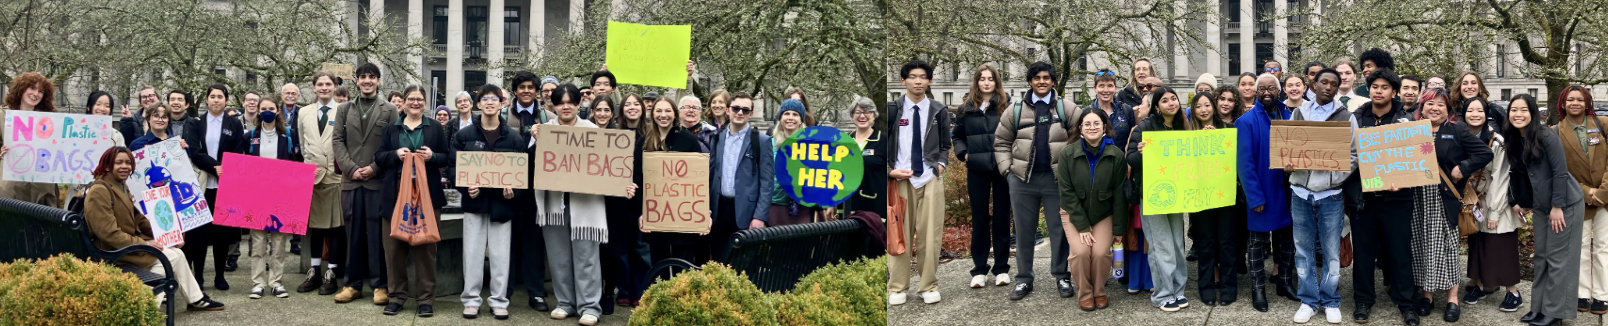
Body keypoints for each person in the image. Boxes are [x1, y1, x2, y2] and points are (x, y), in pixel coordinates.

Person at [532, 84, 631, 326]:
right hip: (554, 204)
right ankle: (565, 303)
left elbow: (609, 167)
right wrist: (536, 140)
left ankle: (590, 307)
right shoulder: (545, 131)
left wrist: (623, 185)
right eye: (561, 102)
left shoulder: (592, 130)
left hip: (586, 205)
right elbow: (533, 166)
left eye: (571, 102)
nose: (566, 106)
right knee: (558, 257)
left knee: (587, 257)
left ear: (579, 104)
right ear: (554, 105)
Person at [83, 147, 227, 311]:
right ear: (107, 165)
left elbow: (139, 219)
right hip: (113, 252)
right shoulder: (100, 190)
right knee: (168, 258)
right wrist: (145, 244)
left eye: (128, 162)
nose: (125, 166)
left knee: (177, 253)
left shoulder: (120, 185)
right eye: (119, 162)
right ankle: (147, 310)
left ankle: (195, 299)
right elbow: (109, 234)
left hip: (127, 246)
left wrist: (169, 236)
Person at [1409, 88, 1493, 322]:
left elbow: (1485, 153)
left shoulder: (1457, 129)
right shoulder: (1410, 131)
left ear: (1448, 110)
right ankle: (1427, 295)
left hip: (1442, 197)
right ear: (1421, 107)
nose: (1435, 108)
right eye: (1429, 104)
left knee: (1447, 248)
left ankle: (1452, 298)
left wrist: (1463, 167)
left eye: (1441, 105)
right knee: (1421, 246)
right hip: (1417, 199)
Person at [994, 61, 1072, 302]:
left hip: (1055, 181)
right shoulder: (1015, 109)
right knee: (1024, 231)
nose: (1041, 81)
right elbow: (1001, 142)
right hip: (1022, 181)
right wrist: (1008, 171)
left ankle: (1061, 275)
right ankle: (1024, 279)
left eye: (1046, 77)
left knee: (1059, 231)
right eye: (1037, 77)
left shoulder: (1065, 107)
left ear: (1053, 81)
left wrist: (1069, 170)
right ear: (1029, 81)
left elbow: (1082, 134)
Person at [1506, 93, 1586, 326]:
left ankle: (1556, 311)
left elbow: (1560, 173)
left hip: (1564, 204)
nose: (1518, 114)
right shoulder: (1514, 138)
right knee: (1541, 257)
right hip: (1541, 206)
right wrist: (1515, 200)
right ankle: (1538, 308)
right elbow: (1517, 174)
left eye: (1523, 110)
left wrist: (1557, 206)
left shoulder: (1546, 136)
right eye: (1513, 109)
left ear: (1533, 114)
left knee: (1559, 258)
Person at [1348, 69, 1421, 325]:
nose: (1378, 91)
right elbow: (1349, 158)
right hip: (1364, 201)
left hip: (1397, 200)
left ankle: (1406, 303)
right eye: (1374, 86)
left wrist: (1402, 179)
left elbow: (1416, 159)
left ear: (1394, 91)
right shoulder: (1356, 118)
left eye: (1384, 87)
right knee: (1364, 255)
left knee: (1399, 254)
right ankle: (1363, 301)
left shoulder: (1407, 121)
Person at [374, 85, 449, 317]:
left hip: (427, 193)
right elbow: (378, 157)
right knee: (394, 248)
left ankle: (425, 299)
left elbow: (447, 156)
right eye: (411, 99)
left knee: (426, 248)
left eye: (419, 99)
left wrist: (432, 157)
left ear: (425, 103)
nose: (415, 103)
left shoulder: (435, 127)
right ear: (403, 102)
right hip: (396, 193)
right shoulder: (391, 129)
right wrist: (395, 155)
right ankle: (396, 296)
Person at [1285, 68, 1352, 323]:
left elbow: (1354, 153)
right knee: (1302, 250)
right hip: (1300, 192)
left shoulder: (1346, 116)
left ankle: (1331, 299)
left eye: (1334, 84)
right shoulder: (1299, 113)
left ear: (1337, 88)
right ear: (1313, 84)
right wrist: (1287, 163)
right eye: (1324, 81)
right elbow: (1287, 147)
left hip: (1331, 195)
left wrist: (1337, 177)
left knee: (1331, 250)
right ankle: (1308, 300)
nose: (1328, 86)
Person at [453, 84, 524, 320]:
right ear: (478, 104)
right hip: (475, 204)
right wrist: (465, 188)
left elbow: (523, 174)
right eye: (486, 99)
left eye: (496, 98)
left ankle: (499, 300)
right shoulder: (464, 136)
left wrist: (514, 191)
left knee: (501, 256)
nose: (491, 102)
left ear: (503, 104)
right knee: (471, 254)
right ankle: (471, 300)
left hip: (502, 206)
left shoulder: (514, 138)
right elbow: (454, 169)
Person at [332, 63, 400, 305]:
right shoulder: (343, 108)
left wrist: (373, 168)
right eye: (363, 77)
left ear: (378, 80)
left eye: (372, 77)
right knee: (352, 235)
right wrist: (351, 169)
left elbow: (393, 144)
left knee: (377, 236)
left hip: (377, 182)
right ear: (357, 81)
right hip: (350, 182)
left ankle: (380, 285)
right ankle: (352, 284)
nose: (367, 81)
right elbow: (338, 141)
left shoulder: (390, 109)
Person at [1054, 107, 1128, 311]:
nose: (1092, 127)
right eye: (1087, 124)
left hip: (1103, 213)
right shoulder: (1068, 154)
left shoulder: (1116, 155)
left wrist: (1119, 231)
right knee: (1080, 252)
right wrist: (1083, 227)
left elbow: (1120, 196)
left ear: (1104, 127)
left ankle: (1099, 291)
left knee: (1101, 253)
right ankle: (1085, 293)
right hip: (1074, 212)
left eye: (1097, 123)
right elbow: (1066, 193)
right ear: (1080, 128)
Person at [890, 59, 950, 305]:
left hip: (929, 178)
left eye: (922, 77)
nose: (918, 81)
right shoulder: (893, 110)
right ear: (903, 80)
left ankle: (928, 285)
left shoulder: (938, 110)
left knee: (930, 235)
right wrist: (889, 171)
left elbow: (946, 144)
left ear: (929, 81)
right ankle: (897, 287)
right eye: (912, 76)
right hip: (900, 180)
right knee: (899, 234)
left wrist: (941, 163)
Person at [1236, 73, 1297, 313]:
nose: (1267, 92)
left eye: (1271, 88)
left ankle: (1284, 281)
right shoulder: (1245, 121)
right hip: (1263, 192)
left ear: (1279, 90)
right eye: (1262, 88)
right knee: (1256, 243)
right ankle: (1258, 288)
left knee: (1286, 240)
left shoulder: (1290, 116)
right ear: (1256, 92)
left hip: (1288, 191)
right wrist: (1255, 197)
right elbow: (1245, 165)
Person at [1460, 95, 1525, 313]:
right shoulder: (1461, 136)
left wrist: (1495, 211)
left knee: (1501, 245)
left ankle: (1513, 291)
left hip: (1496, 199)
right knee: (1477, 245)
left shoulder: (1497, 141)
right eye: (1470, 110)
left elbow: (1501, 176)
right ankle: (1479, 284)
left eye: (1479, 110)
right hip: (1473, 200)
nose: (1475, 114)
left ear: (1486, 113)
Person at [1128, 86, 1191, 312]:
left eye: (1174, 99)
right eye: (1165, 100)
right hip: (1153, 195)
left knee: (1176, 243)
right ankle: (1162, 294)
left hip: (1176, 194)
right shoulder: (1145, 127)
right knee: (1160, 246)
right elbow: (1131, 159)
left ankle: (1178, 290)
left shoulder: (1182, 127)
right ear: (1157, 106)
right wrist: (1142, 153)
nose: (1171, 103)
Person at [181, 83, 246, 291]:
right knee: (199, 234)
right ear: (207, 100)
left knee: (222, 233)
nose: (216, 100)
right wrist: (214, 167)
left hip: (225, 185)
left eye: (220, 97)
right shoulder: (194, 122)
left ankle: (219, 276)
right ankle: (198, 276)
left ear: (226, 100)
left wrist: (225, 168)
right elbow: (193, 150)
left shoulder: (234, 123)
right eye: (212, 96)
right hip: (201, 184)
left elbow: (237, 150)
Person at [954, 64, 1014, 288]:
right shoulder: (965, 108)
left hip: (1001, 169)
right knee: (979, 220)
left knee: (1001, 220)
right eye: (982, 79)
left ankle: (1001, 269)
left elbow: (1014, 135)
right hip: (976, 169)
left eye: (990, 79)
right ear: (976, 81)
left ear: (996, 82)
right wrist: (964, 154)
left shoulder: (1006, 106)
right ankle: (979, 270)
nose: (986, 82)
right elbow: (957, 135)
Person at [1551, 86, 1608, 315]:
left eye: (1580, 99)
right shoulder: (1555, 131)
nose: (1575, 103)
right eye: (1570, 99)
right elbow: (1559, 170)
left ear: (1587, 103)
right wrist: (1586, 193)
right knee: (1580, 247)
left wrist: (1602, 193)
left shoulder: (1603, 124)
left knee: (1603, 247)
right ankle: (1582, 293)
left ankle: (1602, 296)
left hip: (1606, 197)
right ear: (1563, 103)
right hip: (1576, 198)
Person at [237, 95, 295, 300]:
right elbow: (241, 165)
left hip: (281, 195)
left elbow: (297, 163)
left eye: (271, 108)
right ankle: (258, 282)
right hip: (256, 194)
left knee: (279, 241)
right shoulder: (249, 135)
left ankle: (276, 282)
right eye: (264, 108)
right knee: (258, 241)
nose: (267, 111)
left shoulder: (288, 135)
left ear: (278, 110)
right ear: (258, 111)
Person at [295, 71, 347, 296]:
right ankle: (314, 269)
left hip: (336, 176)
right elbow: (302, 143)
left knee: (336, 227)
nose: (324, 87)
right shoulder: (304, 112)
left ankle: (332, 272)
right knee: (315, 227)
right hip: (313, 176)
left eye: (328, 84)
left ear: (335, 87)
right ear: (314, 87)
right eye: (320, 84)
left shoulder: (344, 110)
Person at [1186, 91, 1240, 308]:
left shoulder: (1228, 130)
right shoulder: (1187, 134)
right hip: (1200, 196)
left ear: (1214, 106)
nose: (1203, 110)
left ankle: (1229, 287)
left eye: (1207, 105)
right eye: (1198, 106)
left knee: (1227, 243)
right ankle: (1206, 287)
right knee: (1205, 244)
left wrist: (1217, 138)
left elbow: (1238, 158)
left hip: (1226, 194)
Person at [601, 95, 646, 313]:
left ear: (643, 108)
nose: (632, 108)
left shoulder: (651, 135)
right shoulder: (614, 134)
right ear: (621, 109)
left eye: (636, 104)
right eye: (627, 104)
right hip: (619, 199)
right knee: (620, 248)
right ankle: (625, 291)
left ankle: (640, 291)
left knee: (640, 247)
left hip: (643, 199)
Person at [0, 72, 63, 208]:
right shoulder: (3, 114)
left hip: (42, 187)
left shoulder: (50, 118)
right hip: (12, 186)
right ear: (22, 89)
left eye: (40, 91)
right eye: (32, 88)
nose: (36, 94)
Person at [766, 99, 825, 226]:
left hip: (803, 208)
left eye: (795, 114)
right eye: (786, 114)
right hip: (775, 206)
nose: (790, 118)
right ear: (780, 118)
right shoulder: (769, 144)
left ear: (801, 120)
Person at [845, 98, 887, 220]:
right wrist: (831, 204)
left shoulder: (884, 141)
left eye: (867, 112)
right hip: (848, 205)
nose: (862, 116)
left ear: (874, 115)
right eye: (857, 112)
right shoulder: (844, 141)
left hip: (874, 207)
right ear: (852, 115)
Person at [1084, 69, 1139, 149]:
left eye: (1110, 86)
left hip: (1121, 159)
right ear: (1095, 88)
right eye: (1101, 86)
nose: (1106, 90)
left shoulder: (1126, 110)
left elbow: (1133, 137)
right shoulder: (1086, 113)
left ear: (1115, 88)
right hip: (1096, 160)